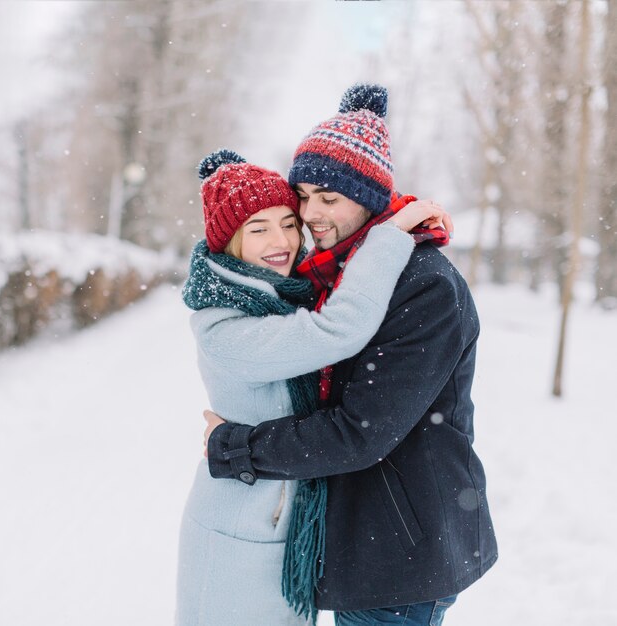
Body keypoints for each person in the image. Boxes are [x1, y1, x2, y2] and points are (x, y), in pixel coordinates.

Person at [204, 84, 498, 626]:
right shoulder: (342, 273)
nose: (310, 213)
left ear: (369, 198)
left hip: (402, 553)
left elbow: (360, 432)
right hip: (365, 540)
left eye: (329, 197)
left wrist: (237, 447)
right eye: (304, 195)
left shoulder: (424, 287)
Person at [176, 147, 451, 626]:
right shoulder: (225, 327)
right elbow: (339, 330)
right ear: (229, 243)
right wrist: (386, 237)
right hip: (244, 523)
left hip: (282, 518)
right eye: (257, 230)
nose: (280, 240)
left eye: (287, 222)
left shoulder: (284, 299)